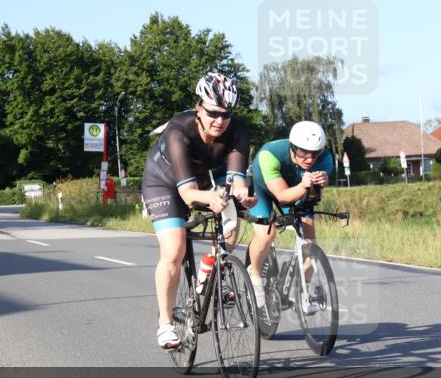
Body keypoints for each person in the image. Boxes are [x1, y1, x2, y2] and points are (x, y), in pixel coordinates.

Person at [142, 72, 257, 349]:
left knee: (230, 218)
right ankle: (166, 325)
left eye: (226, 115)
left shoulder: (237, 130)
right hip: (165, 183)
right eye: (213, 113)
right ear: (198, 107)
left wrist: (240, 193)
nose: (220, 121)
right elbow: (188, 194)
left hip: (205, 177)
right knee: (174, 250)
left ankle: (212, 270)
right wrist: (210, 198)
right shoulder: (178, 130)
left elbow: (236, 178)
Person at [246, 121, 333, 312]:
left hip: (297, 190)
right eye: (303, 152)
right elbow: (282, 197)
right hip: (264, 190)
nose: (309, 158)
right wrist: (303, 185)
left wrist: (320, 184)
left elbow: (310, 198)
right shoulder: (270, 155)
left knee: (310, 243)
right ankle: (255, 273)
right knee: (266, 234)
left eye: (315, 153)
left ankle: (305, 293)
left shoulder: (326, 158)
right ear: (293, 147)